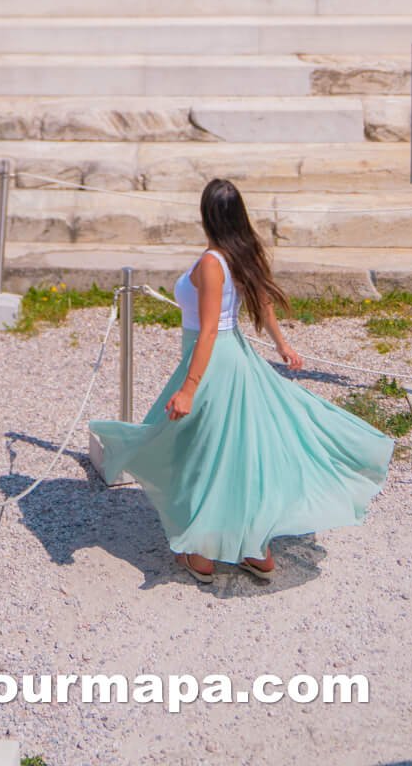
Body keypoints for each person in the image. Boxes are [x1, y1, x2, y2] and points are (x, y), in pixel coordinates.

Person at [91, 179, 391, 584]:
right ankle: (257, 550)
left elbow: (210, 330)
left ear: (206, 215)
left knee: (197, 450)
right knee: (238, 452)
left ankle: (202, 553)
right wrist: (282, 344)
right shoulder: (242, 253)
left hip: (214, 360)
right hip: (237, 357)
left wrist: (190, 387)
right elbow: (263, 301)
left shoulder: (214, 261)